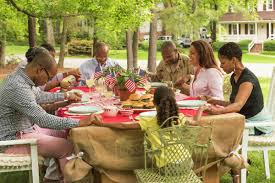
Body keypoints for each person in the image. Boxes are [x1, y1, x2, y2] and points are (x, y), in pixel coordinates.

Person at [0, 50, 95, 182]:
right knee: (67, 147)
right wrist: (78, 123)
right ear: (39, 70)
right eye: (49, 77)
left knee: (65, 134)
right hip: (13, 140)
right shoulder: (17, 87)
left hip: (27, 130)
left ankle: (53, 179)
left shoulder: (23, 77)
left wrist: (66, 95)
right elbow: (42, 119)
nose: (49, 81)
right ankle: (69, 179)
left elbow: (39, 96)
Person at [90, 86, 205, 169]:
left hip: (166, 167)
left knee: (149, 161)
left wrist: (102, 124)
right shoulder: (179, 117)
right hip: (187, 163)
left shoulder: (149, 121)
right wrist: (201, 109)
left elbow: (123, 125)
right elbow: (195, 122)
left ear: (154, 103)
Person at [206, 42, 273, 135]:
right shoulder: (234, 77)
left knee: (218, 131)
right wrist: (215, 101)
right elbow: (234, 103)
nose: (220, 66)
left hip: (258, 126)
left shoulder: (247, 80)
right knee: (213, 127)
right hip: (244, 121)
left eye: (223, 62)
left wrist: (218, 111)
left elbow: (237, 106)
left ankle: (223, 149)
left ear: (233, 60)